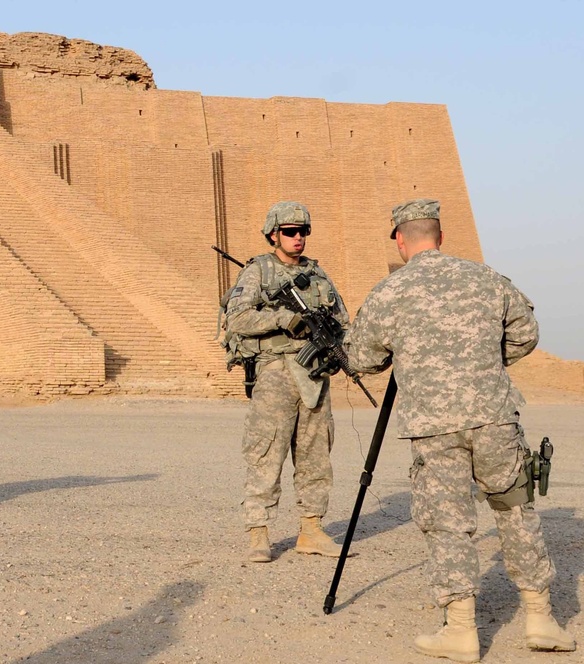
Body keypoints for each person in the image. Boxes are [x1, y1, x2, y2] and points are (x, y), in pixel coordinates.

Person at [344, 199, 575, 661]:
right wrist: (483, 363)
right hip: (494, 417)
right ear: (441, 236)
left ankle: (461, 630)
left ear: (399, 239)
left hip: (434, 425)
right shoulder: (487, 278)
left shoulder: (389, 292)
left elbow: (362, 360)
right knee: (515, 510)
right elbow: (526, 334)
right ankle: (541, 619)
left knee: (448, 521)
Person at [224, 201, 349, 563]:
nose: (298, 239)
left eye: (303, 232)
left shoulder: (319, 276)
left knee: (315, 456)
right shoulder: (258, 272)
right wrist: (283, 318)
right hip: (276, 373)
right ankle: (259, 533)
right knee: (267, 452)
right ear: (273, 235)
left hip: (313, 376)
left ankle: (311, 530)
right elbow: (239, 319)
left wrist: (342, 351)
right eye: (290, 232)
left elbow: (342, 320)